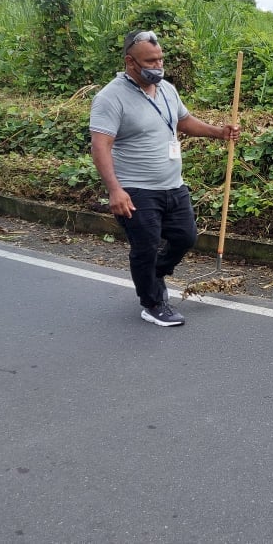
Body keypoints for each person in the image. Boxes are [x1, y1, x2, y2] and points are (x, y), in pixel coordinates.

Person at [90, 29, 240, 327]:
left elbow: (183, 121)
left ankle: (152, 273)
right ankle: (153, 303)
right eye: (150, 61)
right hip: (136, 189)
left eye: (160, 59)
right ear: (130, 62)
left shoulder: (167, 89)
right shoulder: (110, 97)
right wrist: (115, 190)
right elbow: (100, 146)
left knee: (186, 237)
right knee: (145, 246)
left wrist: (218, 132)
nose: (158, 66)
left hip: (173, 185)